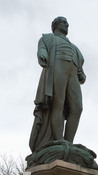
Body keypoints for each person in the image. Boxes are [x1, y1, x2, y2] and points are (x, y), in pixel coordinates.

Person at [29, 16, 86, 153]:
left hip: (72, 73)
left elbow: (80, 67)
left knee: (77, 108)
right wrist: (42, 54)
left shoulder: (74, 47)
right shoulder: (47, 38)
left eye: (67, 23)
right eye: (63, 22)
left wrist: (81, 72)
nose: (67, 24)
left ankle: (69, 142)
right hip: (57, 68)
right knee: (58, 104)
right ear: (55, 25)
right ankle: (59, 140)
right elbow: (42, 49)